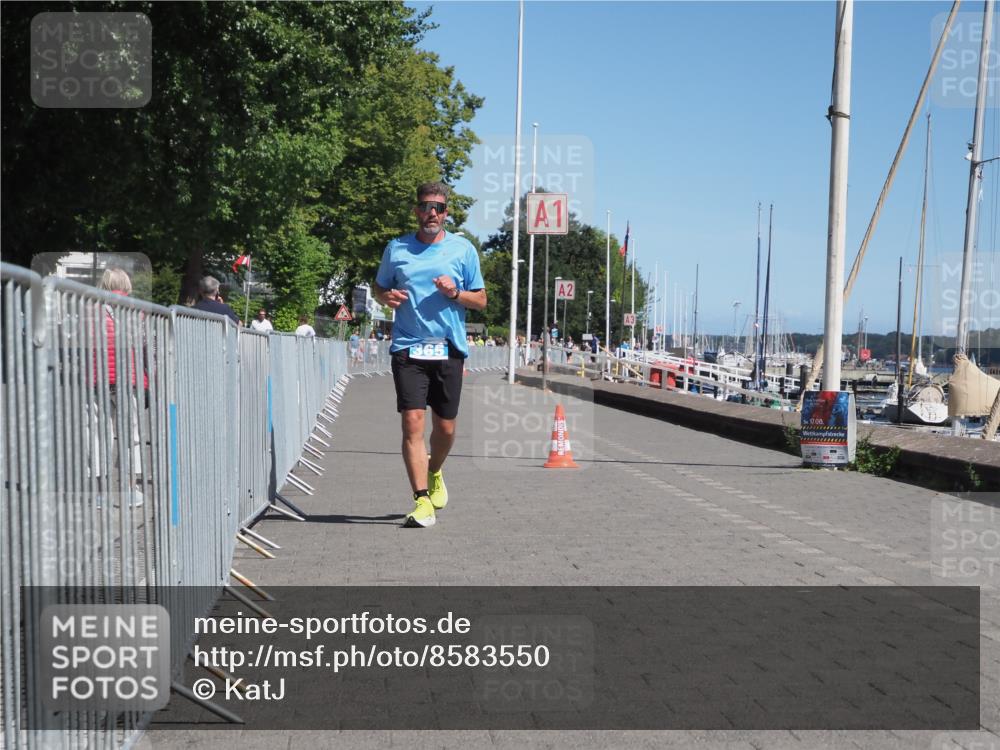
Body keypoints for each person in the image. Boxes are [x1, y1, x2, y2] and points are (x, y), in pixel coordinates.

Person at [372, 181, 486, 528]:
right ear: (416, 211)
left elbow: (480, 300)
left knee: (447, 428)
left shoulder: (463, 250)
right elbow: (380, 287)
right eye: (424, 206)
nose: (430, 213)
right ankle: (421, 500)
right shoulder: (397, 249)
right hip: (408, 346)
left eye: (437, 207)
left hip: (448, 347)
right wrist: (384, 297)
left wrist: (455, 294)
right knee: (411, 422)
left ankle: (434, 470)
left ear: (446, 213)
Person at [95, 268, 147, 508]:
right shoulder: (138, 311)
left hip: (97, 379)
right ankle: (129, 489)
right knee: (130, 435)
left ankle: (99, 492)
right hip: (128, 379)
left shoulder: (89, 308)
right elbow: (146, 347)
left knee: (97, 435)